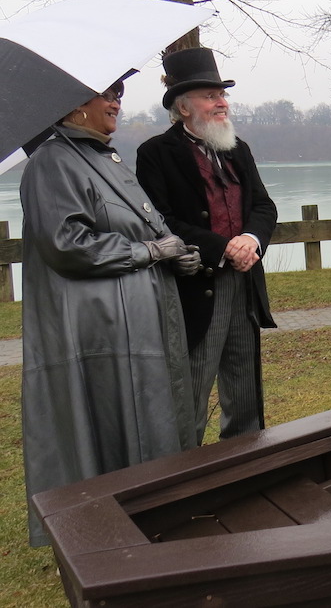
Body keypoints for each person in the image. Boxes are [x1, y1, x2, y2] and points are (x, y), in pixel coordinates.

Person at [20, 79, 200, 547]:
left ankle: (157, 506)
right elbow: (67, 245)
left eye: (120, 91)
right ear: (73, 104)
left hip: (141, 318)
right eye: (107, 93)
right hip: (97, 329)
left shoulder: (104, 157)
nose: (117, 101)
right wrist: (149, 252)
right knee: (112, 415)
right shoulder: (52, 163)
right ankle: (107, 525)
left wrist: (176, 253)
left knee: (155, 410)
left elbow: (144, 227)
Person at [136, 47, 277, 445]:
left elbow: (263, 206)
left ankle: (246, 468)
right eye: (211, 95)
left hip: (244, 284)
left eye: (222, 95)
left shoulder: (238, 149)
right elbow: (160, 219)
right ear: (183, 106)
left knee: (246, 392)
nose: (222, 103)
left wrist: (251, 240)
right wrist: (221, 247)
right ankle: (184, 479)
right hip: (197, 286)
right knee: (191, 393)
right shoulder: (155, 154)